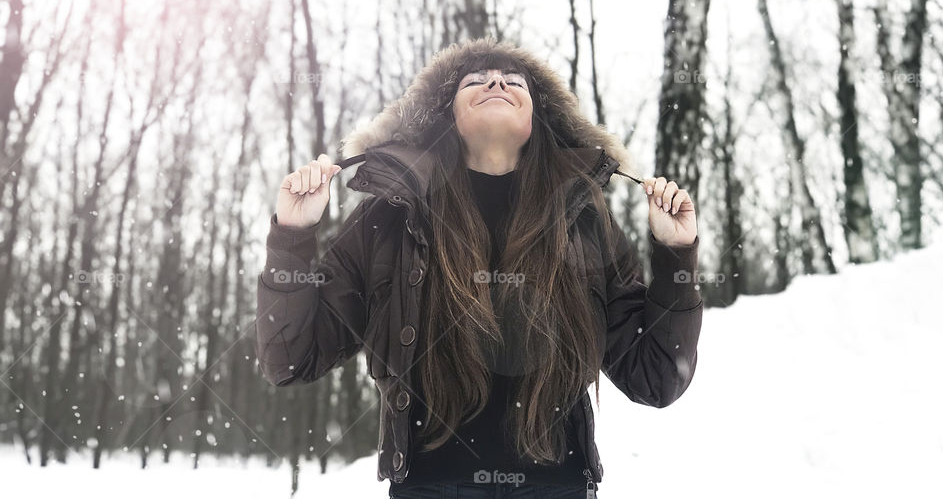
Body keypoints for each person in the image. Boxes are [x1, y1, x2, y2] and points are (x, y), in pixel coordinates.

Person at [256, 37, 702, 498]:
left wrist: (675, 254)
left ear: (537, 118)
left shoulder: (585, 219)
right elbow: (290, 358)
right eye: (476, 80)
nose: (496, 81)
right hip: (430, 487)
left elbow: (658, 377)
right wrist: (293, 235)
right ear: (447, 114)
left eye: (514, 82)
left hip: (559, 487)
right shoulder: (388, 214)